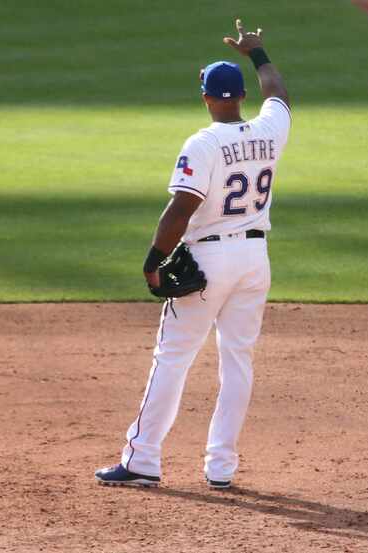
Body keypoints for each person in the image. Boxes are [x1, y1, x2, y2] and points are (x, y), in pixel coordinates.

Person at [95, 19, 291, 490]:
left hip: (208, 261)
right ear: (240, 96)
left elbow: (182, 206)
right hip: (254, 261)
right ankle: (221, 468)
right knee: (238, 361)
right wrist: (258, 52)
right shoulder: (271, 127)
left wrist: (152, 261)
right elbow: (279, 92)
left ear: (206, 97)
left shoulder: (203, 143)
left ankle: (142, 459)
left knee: (172, 358)